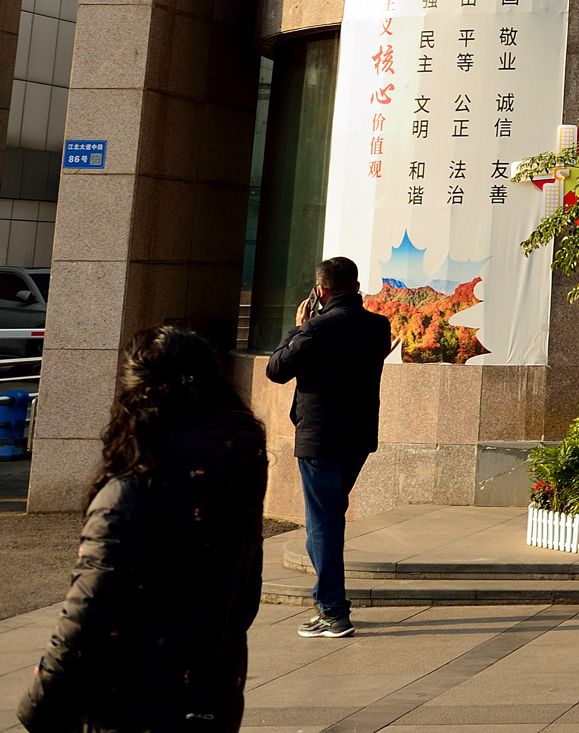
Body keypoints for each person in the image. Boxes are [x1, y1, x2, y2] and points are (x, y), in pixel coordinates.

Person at [15, 327, 268, 733]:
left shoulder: (133, 491)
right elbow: (245, 593)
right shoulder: (238, 464)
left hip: (130, 709)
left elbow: (89, 617)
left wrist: (37, 706)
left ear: (134, 396)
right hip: (210, 697)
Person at [266, 256, 393, 638]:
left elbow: (276, 370)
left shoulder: (315, 328)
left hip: (320, 439)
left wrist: (297, 328)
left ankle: (334, 612)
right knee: (329, 519)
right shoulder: (378, 326)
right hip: (357, 438)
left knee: (323, 524)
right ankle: (329, 602)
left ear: (320, 291)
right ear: (356, 287)